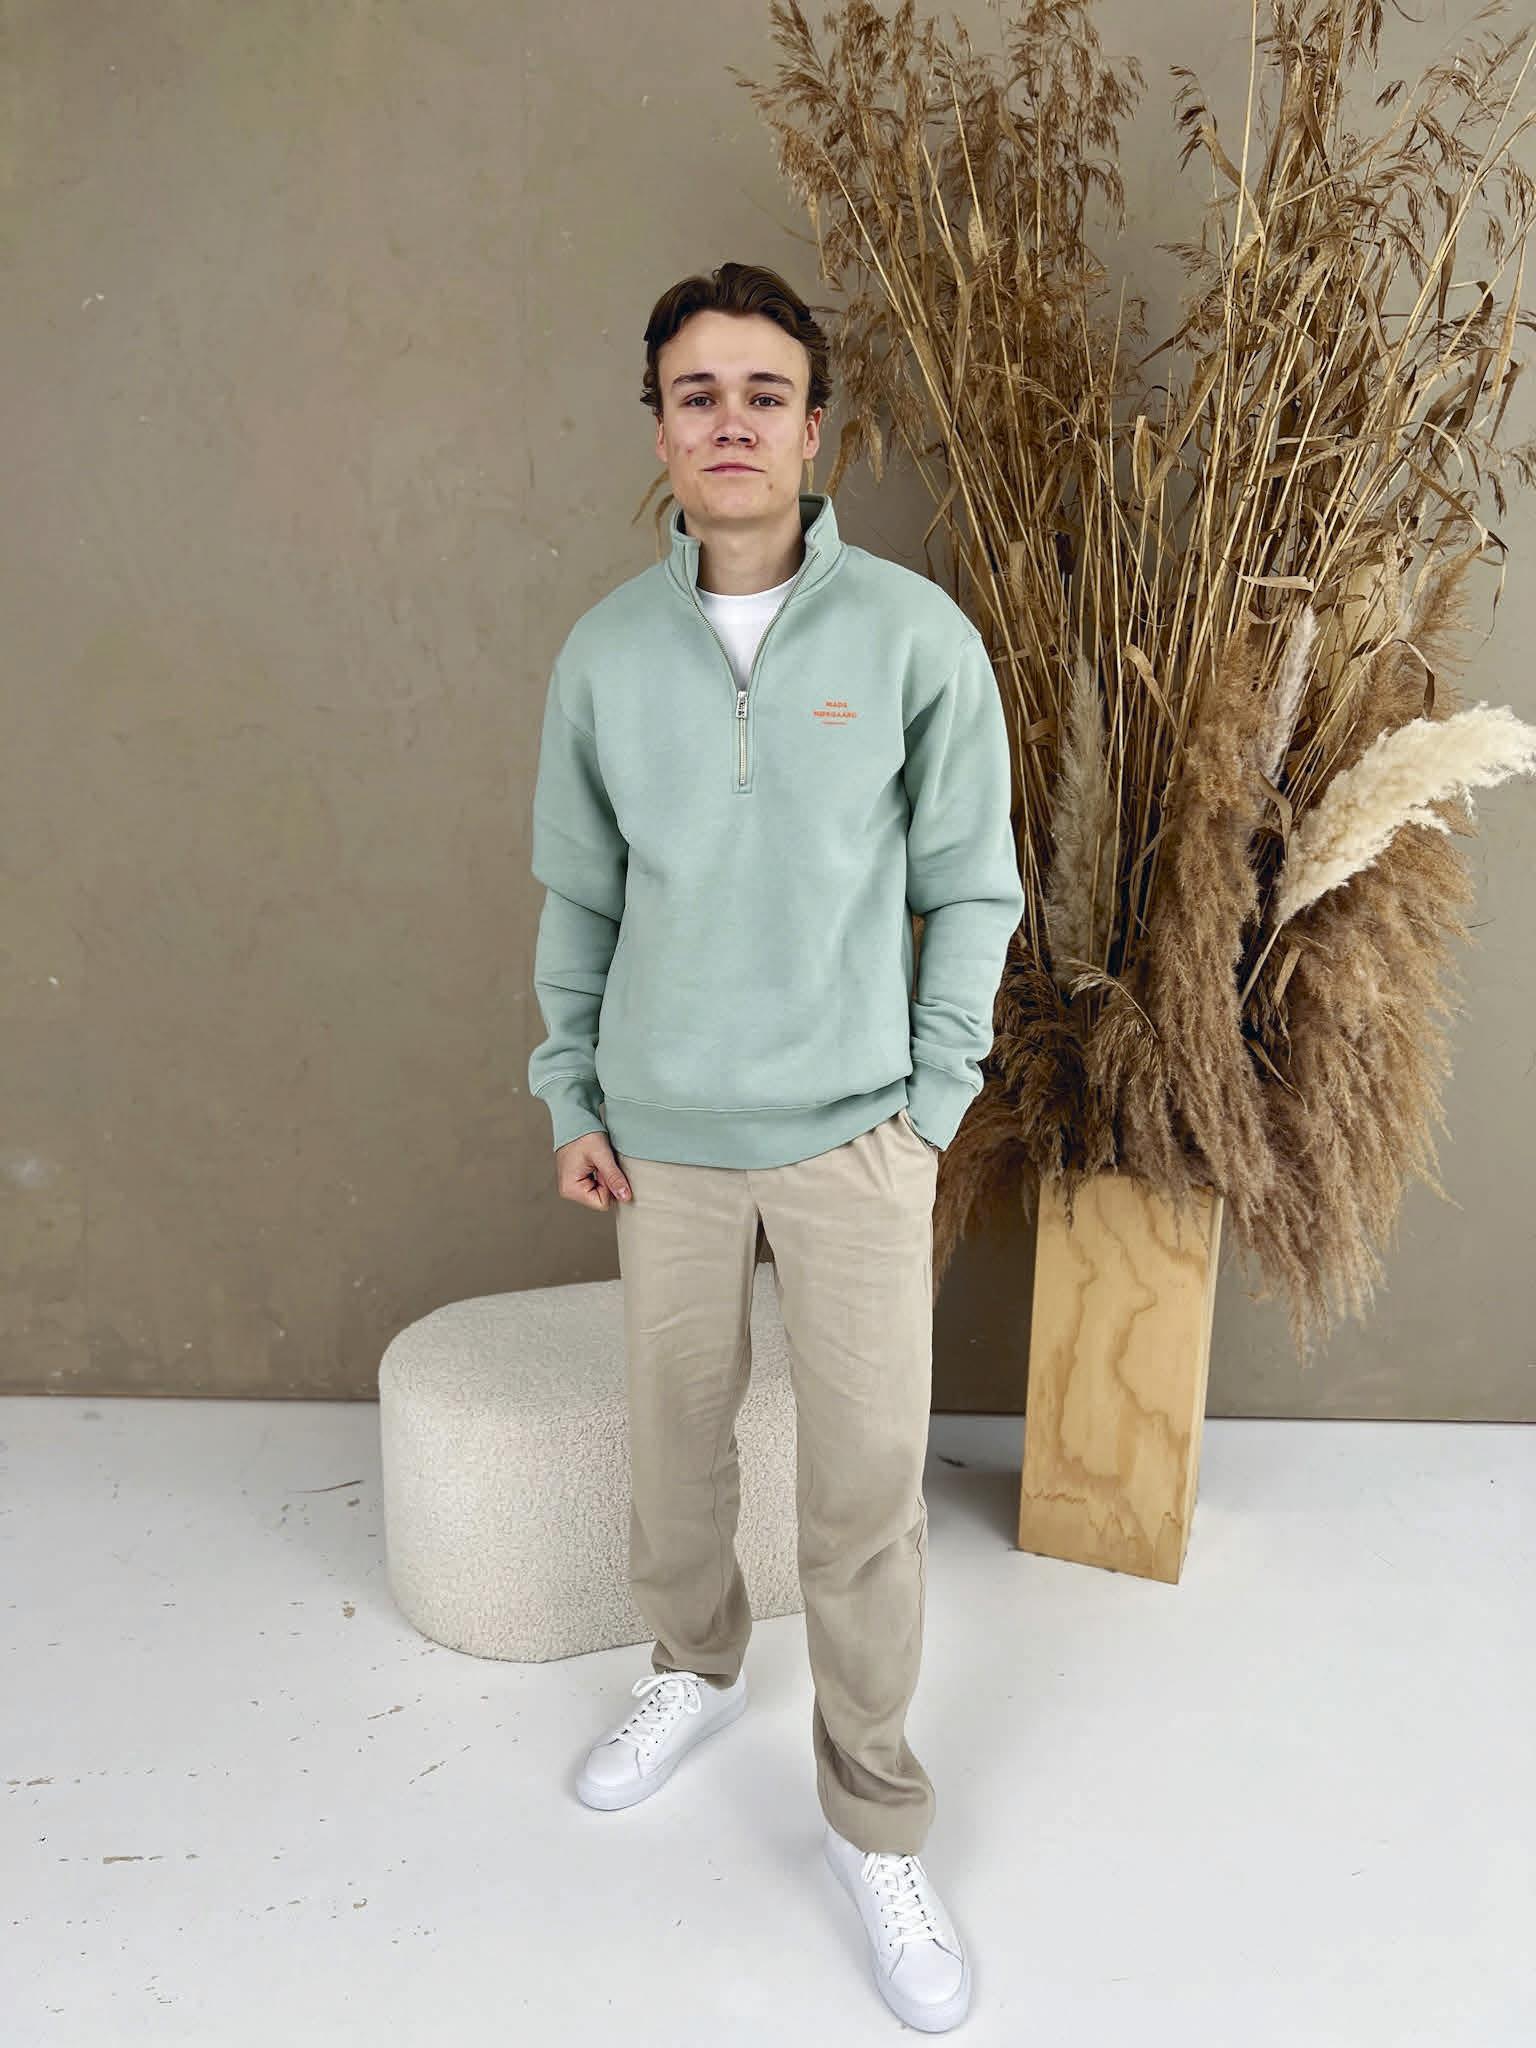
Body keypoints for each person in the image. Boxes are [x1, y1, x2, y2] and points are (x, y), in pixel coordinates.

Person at [526, 260, 1023, 2033]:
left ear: (817, 432)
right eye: (696, 394)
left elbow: (974, 885)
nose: (729, 422)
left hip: (853, 1139)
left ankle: (874, 1815)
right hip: (662, 1139)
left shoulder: (914, 639)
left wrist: (932, 1104)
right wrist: (573, 1093)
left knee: (865, 1495)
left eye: (762, 394)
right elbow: (580, 899)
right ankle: (694, 1665)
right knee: (675, 1452)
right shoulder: (604, 653)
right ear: (659, 432)